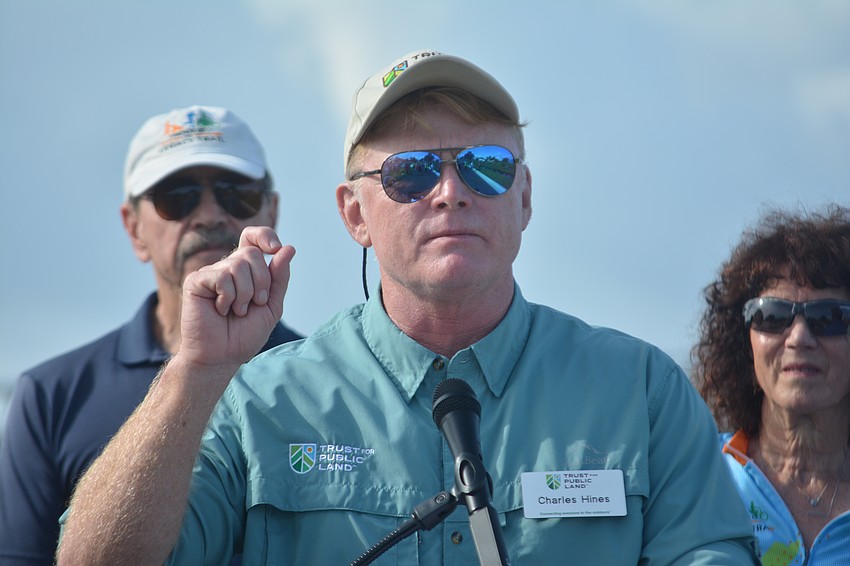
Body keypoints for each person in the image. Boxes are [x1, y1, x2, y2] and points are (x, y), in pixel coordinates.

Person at [56, 50, 758, 565]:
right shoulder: (257, 402)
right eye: (410, 173)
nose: (450, 193)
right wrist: (194, 371)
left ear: (525, 199)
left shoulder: (639, 391)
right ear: (353, 214)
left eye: (485, 166)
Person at [0, 105, 303, 565]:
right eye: (177, 196)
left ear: (271, 211)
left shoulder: (336, 384)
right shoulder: (52, 395)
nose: (208, 214)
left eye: (234, 193)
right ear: (133, 228)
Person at [692, 205, 850, 565]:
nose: (799, 338)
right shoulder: (695, 474)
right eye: (772, 316)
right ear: (743, 341)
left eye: (828, 318)